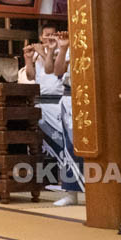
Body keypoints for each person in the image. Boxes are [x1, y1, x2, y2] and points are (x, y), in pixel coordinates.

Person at [46, 30, 85, 206]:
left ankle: (96, 190)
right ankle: (71, 192)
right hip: (70, 98)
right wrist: (63, 49)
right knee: (69, 146)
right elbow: (57, 71)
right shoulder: (69, 45)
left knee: (93, 146)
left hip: (91, 97)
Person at [23, 23, 64, 190]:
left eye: (52, 34)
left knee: (61, 142)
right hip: (41, 103)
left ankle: (64, 180)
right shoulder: (36, 56)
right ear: (40, 37)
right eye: (46, 35)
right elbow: (31, 75)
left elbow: (52, 70)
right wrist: (28, 58)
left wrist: (44, 52)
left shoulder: (60, 51)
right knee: (40, 144)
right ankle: (42, 181)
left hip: (57, 103)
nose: (49, 38)